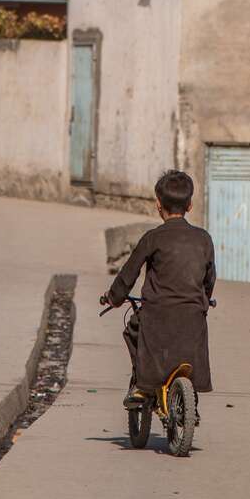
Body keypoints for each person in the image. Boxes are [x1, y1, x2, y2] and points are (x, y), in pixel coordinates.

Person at [100, 170, 216, 407]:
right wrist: (204, 299)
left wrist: (113, 298)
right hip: (192, 315)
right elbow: (209, 278)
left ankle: (141, 386)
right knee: (193, 332)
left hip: (156, 314)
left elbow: (128, 273)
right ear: (190, 205)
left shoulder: (153, 238)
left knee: (133, 329)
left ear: (158, 205)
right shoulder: (204, 239)